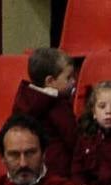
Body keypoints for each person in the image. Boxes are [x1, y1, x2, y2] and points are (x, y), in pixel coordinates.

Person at [11, 47, 77, 177]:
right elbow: (73, 137)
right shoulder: (58, 104)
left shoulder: (24, 100)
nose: (73, 82)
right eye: (68, 77)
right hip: (58, 169)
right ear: (50, 81)